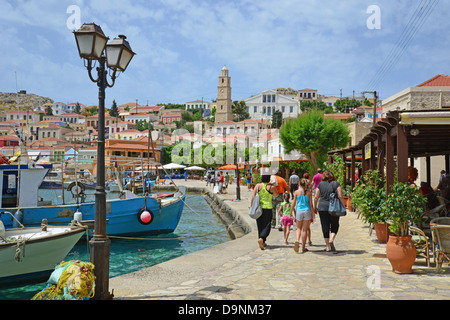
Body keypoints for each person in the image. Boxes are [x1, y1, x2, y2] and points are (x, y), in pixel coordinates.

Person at [313, 169, 345, 252]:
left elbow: (316, 197)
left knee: (325, 226)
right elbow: (340, 196)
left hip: (322, 207)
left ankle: (327, 246)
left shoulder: (320, 184)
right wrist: (343, 206)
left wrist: (314, 207)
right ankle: (331, 239)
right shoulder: (336, 183)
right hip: (334, 207)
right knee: (335, 224)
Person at [251, 174, 279, 250]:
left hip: (258, 208)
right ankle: (262, 238)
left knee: (260, 224)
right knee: (267, 224)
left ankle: (262, 241)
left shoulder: (257, 186)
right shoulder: (271, 187)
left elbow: (253, 196)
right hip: (268, 207)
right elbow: (276, 195)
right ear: (269, 179)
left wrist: (251, 206)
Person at [291, 178, 314, 253]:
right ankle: (303, 247)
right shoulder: (309, 192)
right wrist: (313, 214)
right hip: (307, 211)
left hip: (299, 211)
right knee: (304, 229)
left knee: (298, 228)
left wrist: (291, 212)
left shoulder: (297, 192)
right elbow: (311, 205)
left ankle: (297, 241)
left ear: (299, 184)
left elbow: (294, 203)